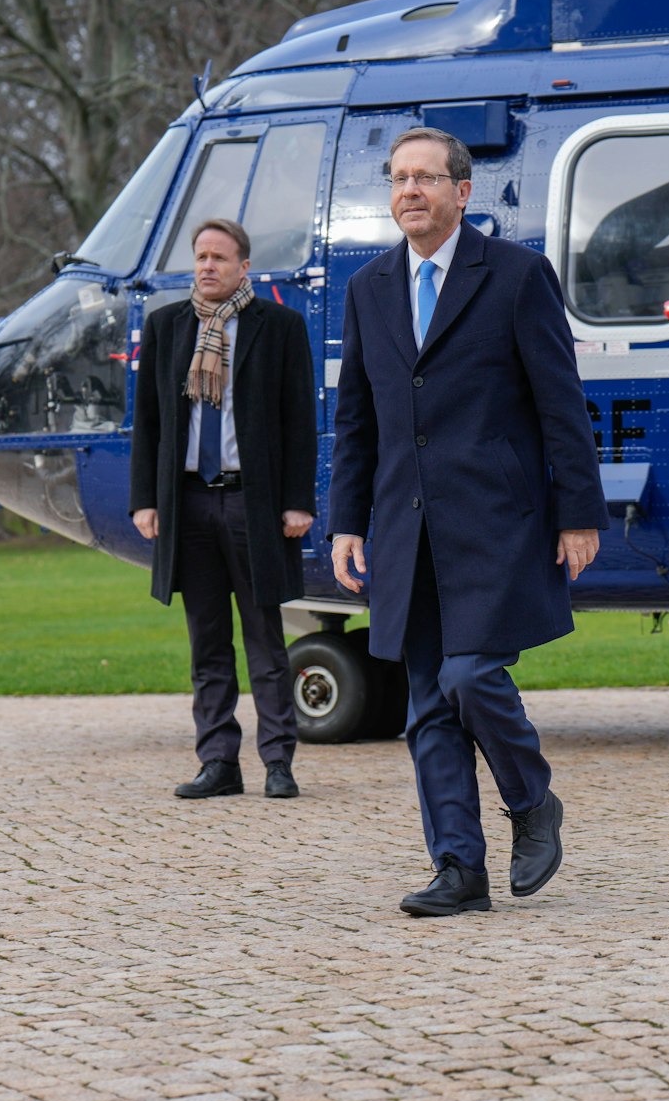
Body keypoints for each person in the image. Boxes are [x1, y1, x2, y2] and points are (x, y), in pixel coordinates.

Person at [329, 127, 608, 916]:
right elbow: (357, 420)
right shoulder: (370, 287)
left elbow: (562, 403)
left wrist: (578, 509)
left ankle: (531, 801)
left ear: (463, 191)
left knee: (469, 674)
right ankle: (459, 867)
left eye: (425, 177)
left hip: (497, 521)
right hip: (404, 529)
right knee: (425, 704)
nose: (409, 190)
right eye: (398, 178)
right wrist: (347, 521)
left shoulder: (517, 277)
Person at [130, 218, 317, 800]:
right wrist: (145, 500)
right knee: (207, 642)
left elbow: (298, 423)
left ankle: (278, 762)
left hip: (252, 503)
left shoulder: (279, 327)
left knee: (265, 639)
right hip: (187, 505)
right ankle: (218, 762)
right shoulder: (166, 327)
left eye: (218, 257)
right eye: (200, 257)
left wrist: (297, 502)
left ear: (243, 267)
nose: (207, 266)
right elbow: (151, 422)